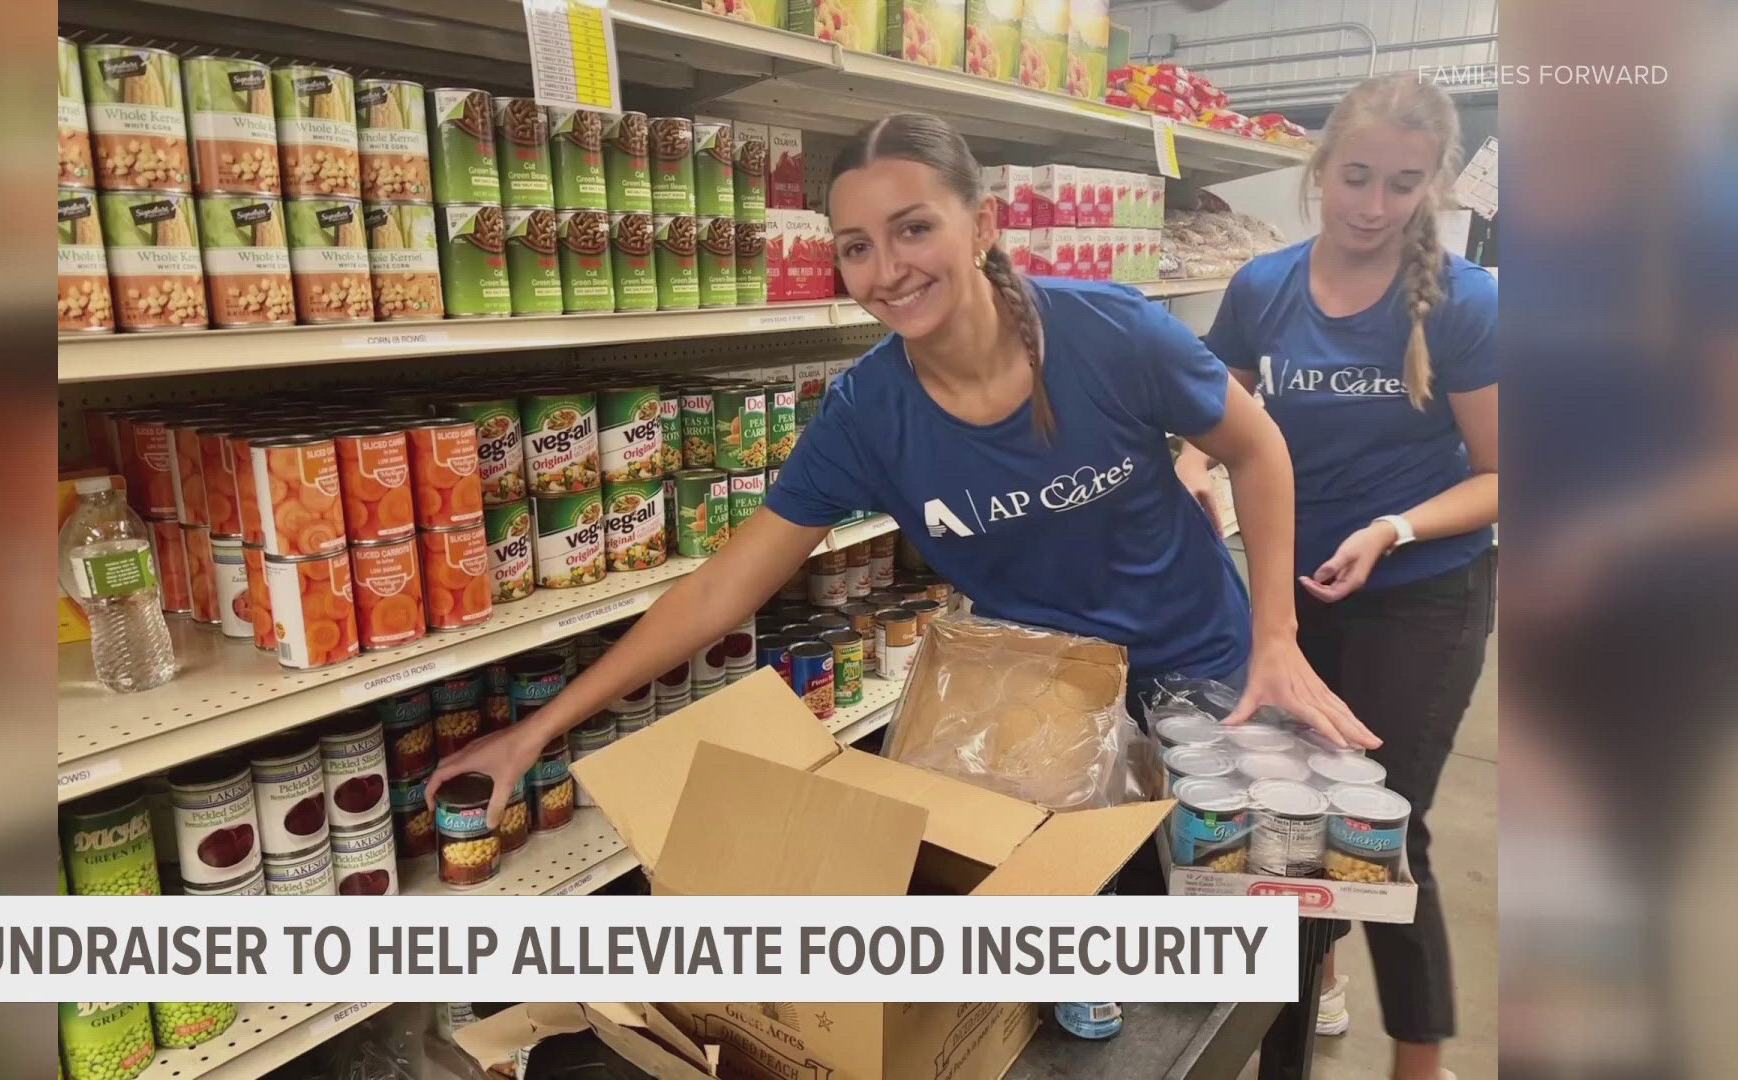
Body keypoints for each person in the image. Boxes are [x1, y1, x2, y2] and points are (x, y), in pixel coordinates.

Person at [426, 111, 1375, 835]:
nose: (886, 269)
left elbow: (1258, 447)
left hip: (1206, 667)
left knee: (1244, 929)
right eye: (856, 247)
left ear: (982, 226)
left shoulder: (1110, 331)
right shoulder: (865, 414)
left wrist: (1276, 637)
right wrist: (537, 730)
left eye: (913, 229)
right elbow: (723, 586)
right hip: (1042, 699)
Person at [1178, 72, 1497, 1080]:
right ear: (1319, 167)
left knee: (1381, 822)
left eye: (1402, 184)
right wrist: (1193, 469)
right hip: (1285, 597)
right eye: (1355, 176)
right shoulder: (1262, 289)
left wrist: (1394, 528)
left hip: (1425, 593)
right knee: (1282, 822)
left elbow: (1505, 474)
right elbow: (1212, 415)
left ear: (1433, 186)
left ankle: (1419, 1057)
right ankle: (1285, 1035)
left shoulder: (1466, 301)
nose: (1372, 205)